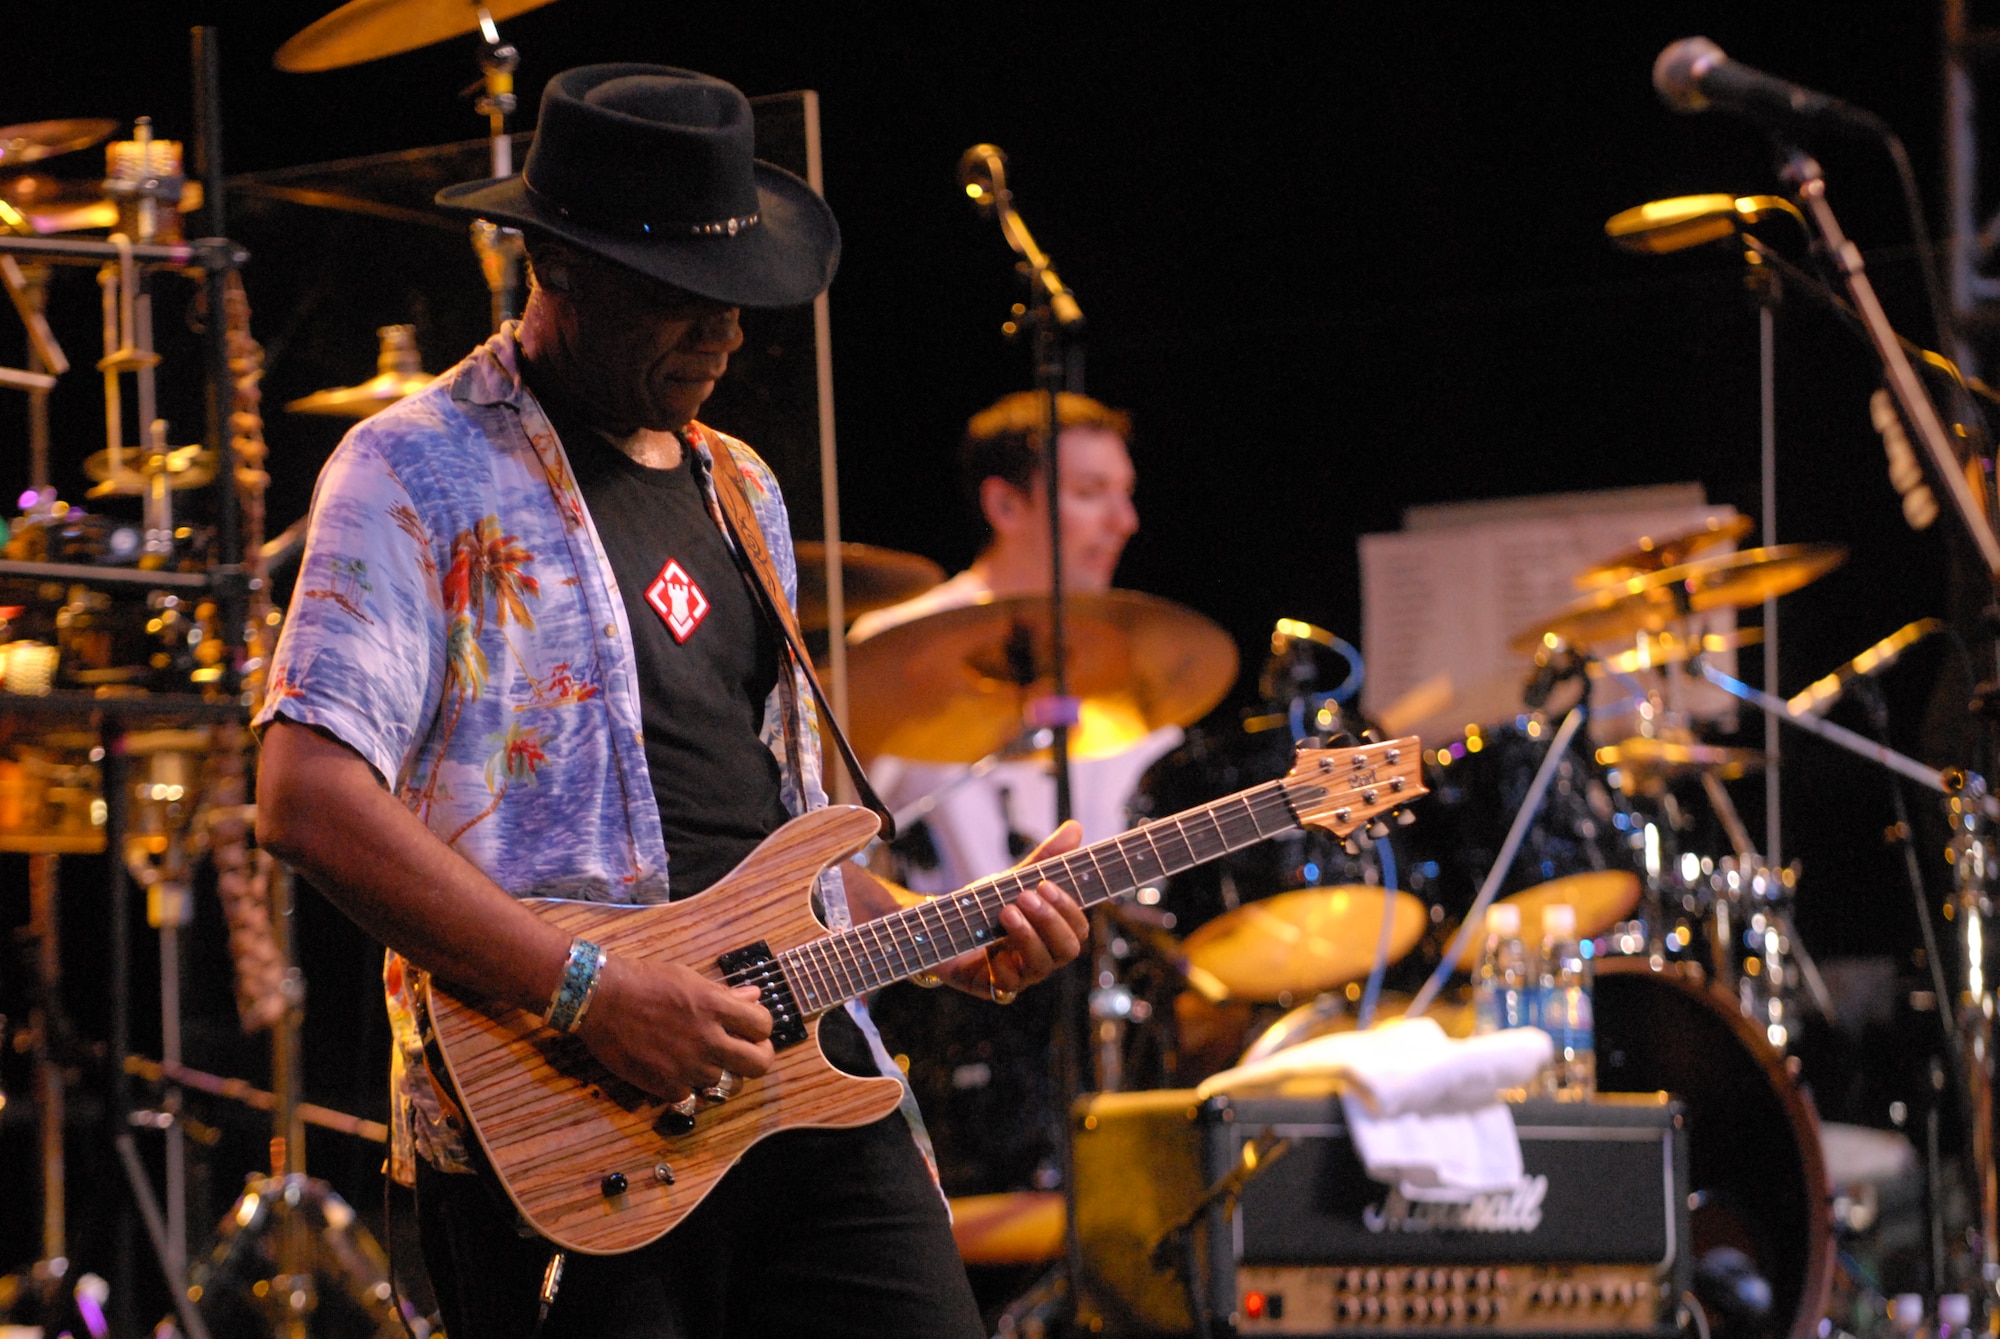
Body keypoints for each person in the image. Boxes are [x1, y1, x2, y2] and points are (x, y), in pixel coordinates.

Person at [252, 65, 1088, 1339]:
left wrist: (939, 933)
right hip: (570, 1121)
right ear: (560, 269)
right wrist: (590, 991)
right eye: (682, 301)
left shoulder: (741, 488)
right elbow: (305, 797)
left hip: (800, 1081)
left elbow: (782, 837)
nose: (726, 335)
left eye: (737, 301)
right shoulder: (413, 467)